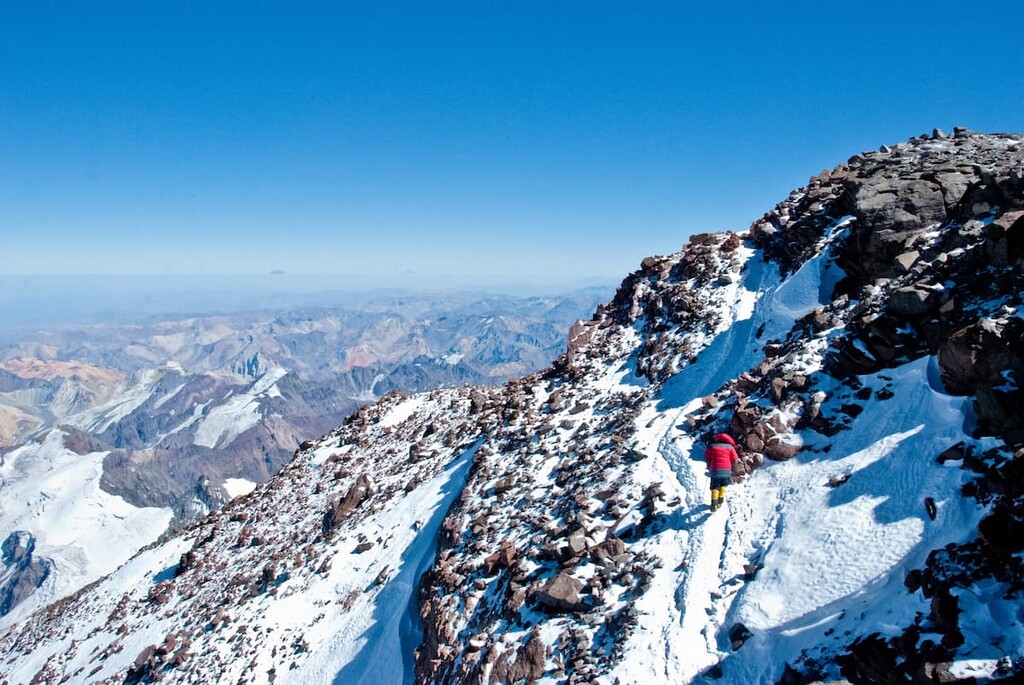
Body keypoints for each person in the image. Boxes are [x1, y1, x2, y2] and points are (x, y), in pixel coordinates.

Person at [704, 432, 739, 512]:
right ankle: (720, 501)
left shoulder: (712, 446)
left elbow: (706, 456)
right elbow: (735, 459)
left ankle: (714, 504)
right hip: (726, 470)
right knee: (723, 485)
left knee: (715, 487)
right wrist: (732, 466)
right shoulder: (730, 447)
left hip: (715, 470)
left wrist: (709, 464)